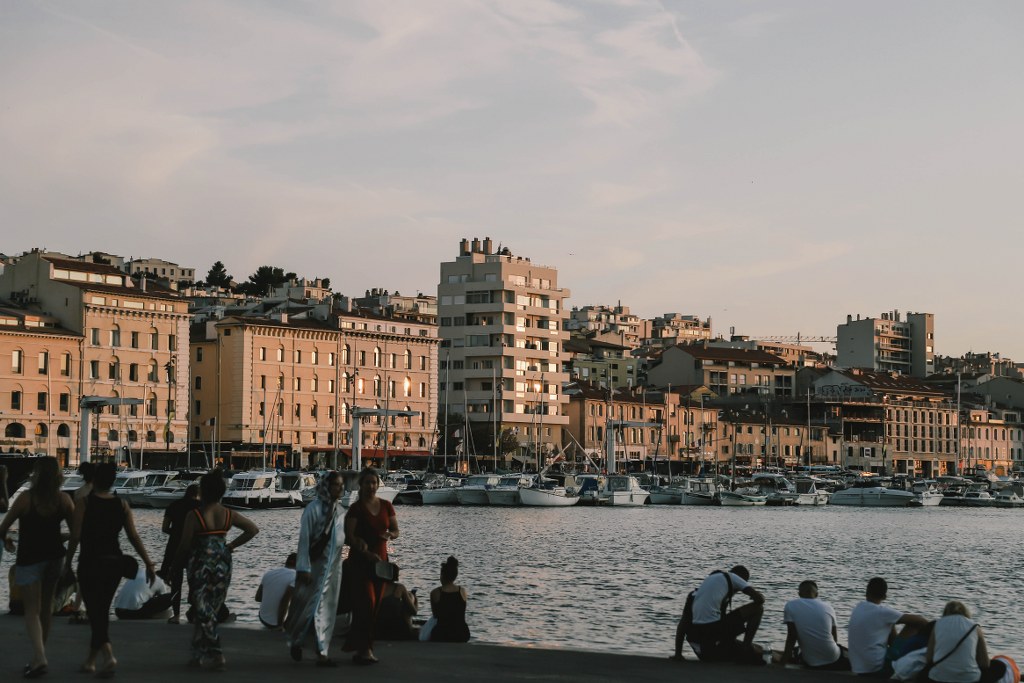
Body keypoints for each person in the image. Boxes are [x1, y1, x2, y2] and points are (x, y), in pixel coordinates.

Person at [65, 461, 156, 677]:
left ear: (94, 480)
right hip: (114, 563)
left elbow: (76, 536)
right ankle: (90, 661)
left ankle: (108, 657)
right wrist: (148, 563)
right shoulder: (122, 505)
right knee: (100, 611)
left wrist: (67, 563)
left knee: (96, 612)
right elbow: (133, 537)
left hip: (90, 562)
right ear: (112, 481)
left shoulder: (84, 503)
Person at [172, 469, 258, 671]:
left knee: (203, 609)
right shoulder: (228, 514)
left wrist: (173, 567)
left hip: (200, 564)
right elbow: (252, 529)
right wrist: (231, 546)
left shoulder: (194, 516)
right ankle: (197, 655)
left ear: (203, 492)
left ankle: (217, 653)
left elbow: (183, 546)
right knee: (211, 608)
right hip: (223, 563)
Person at [0, 456, 74, 678]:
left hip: (30, 558)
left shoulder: (25, 499)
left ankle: (39, 657)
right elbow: (76, 532)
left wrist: (7, 540)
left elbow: (3, 526)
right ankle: (39, 655)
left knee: (31, 610)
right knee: (46, 608)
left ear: (37, 474)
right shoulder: (64, 500)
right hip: (55, 558)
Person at [287, 470, 346, 665]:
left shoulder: (340, 512)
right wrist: (303, 567)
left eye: (341, 484)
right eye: (336, 484)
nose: (340, 488)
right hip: (313, 567)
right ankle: (296, 640)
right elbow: (304, 540)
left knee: (327, 607)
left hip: (333, 569)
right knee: (306, 606)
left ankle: (322, 650)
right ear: (327, 486)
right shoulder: (313, 509)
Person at [343, 467, 398, 665]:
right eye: (367, 482)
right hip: (360, 562)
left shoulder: (386, 506)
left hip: (381, 561)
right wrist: (363, 549)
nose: (371, 486)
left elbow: (395, 529)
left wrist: (389, 535)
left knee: (375, 608)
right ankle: (364, 649)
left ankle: (363, 648)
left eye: (374, 482)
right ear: (361, 485)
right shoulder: (356, 509)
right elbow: (349, 537)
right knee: (366, 603)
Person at [684, 565, 766, 664]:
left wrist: (678, 654)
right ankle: (745, 650)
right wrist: (756, 595)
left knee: (757, 648)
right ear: (741, 579)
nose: (737, 591)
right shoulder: (733, 577)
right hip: (711, 633)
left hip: (703, 648)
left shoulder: (698, 593)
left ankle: (746, 649)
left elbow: (682, 625)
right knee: (758, 608)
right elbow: (760, 600)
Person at [848, 577, 929, 677]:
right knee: (913, 625)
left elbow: (893, 640)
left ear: (867, 592)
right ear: (885, 596)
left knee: (889, 622)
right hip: (878, 669)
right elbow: (919, 620)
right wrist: (935, 630)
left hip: (859, 669)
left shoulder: (858, 608)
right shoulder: (882, 612)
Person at [924, 601, 1006, 683]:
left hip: (939, 677)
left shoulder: (938, 624)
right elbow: (984, 663)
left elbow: (929, 658)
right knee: (1000, 666)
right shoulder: (974, 626)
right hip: (969, 679)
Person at [783, 580, 850, 670]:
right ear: (817, 594)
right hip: (833, 658)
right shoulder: (828, 607)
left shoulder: (790, 605)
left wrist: (782, 662)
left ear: (799, 594)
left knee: (797, 650)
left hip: (810, 662)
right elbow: (834, 638)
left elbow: (792, 636)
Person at [160, 483, 200, 624]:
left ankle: (176, 615)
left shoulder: (173, 505)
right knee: (193, 581)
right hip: (193, 547)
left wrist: (176, 533)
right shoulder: (200, 506)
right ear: (197, 494)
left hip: (174, 547)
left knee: (176, 581)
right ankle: (194, 613)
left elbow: (165, 528)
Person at [429, 556, 470, 643]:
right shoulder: (462, 591)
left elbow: (435, 615)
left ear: (442, 575)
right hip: (461, 633)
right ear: (455, 576)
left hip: (442, 634)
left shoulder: (435, 592)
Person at [257, 553, 297, 630]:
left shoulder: (268, 573)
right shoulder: (295, 576)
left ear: (286, 562)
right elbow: (285, 601)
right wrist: (280, 625)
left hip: (262, 619)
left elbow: (258, 598)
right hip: (278, 623)